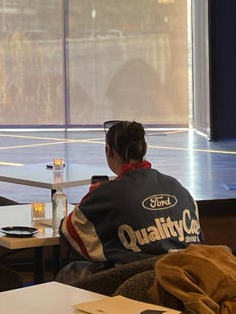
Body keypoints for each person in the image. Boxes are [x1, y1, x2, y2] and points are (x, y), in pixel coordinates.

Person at [57, 119, 203, 284]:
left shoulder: (105, 194)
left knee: (70, 272)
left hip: (132, 283)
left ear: (108, 151)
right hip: (184, 279)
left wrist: (90, 199)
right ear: (145, 149)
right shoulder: (178, 187)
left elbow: (69, 232)